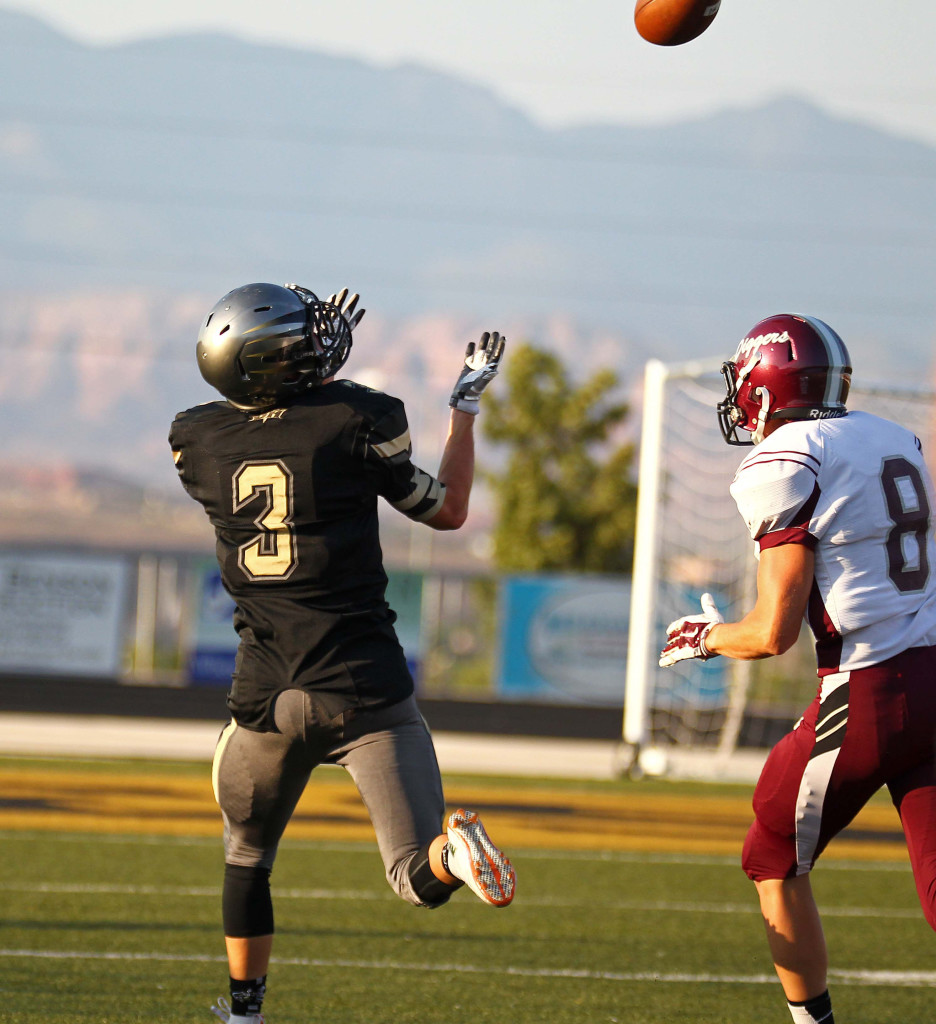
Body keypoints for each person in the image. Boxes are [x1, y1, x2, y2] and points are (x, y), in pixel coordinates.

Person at [170, 282, 515, 1024]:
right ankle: (455, 856)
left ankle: (243, 1014)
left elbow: (278, 434)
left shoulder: (194, 441)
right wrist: (464, 407)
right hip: (363, 688)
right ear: (279, 365)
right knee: (413, 875)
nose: (322, 344)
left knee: (246, 856)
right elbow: (448, 509)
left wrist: (304, 379)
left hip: (263, 698)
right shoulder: (361, 417)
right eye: (303, 342)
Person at [659, 313, 936, 1024]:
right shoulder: (889, 435)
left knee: (770, 850)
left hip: (868, 688)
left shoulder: (784, 459)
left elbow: (771, 633)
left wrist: (703, 636)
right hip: (933, 674)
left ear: (766, 384)